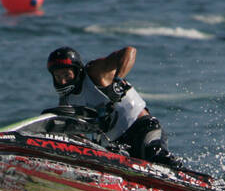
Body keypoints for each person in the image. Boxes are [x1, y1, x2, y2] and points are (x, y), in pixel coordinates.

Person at [46, 45, 183, 169]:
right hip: (117, 144)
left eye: (67, 75)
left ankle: (181, 175)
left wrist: (117, 81)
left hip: (141, 128)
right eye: (58, 77)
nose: (63, 81)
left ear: (76, 71)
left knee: (157, 159)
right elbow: (72, 132)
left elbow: (129, 51)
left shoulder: (95, 72)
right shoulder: (66, 101)